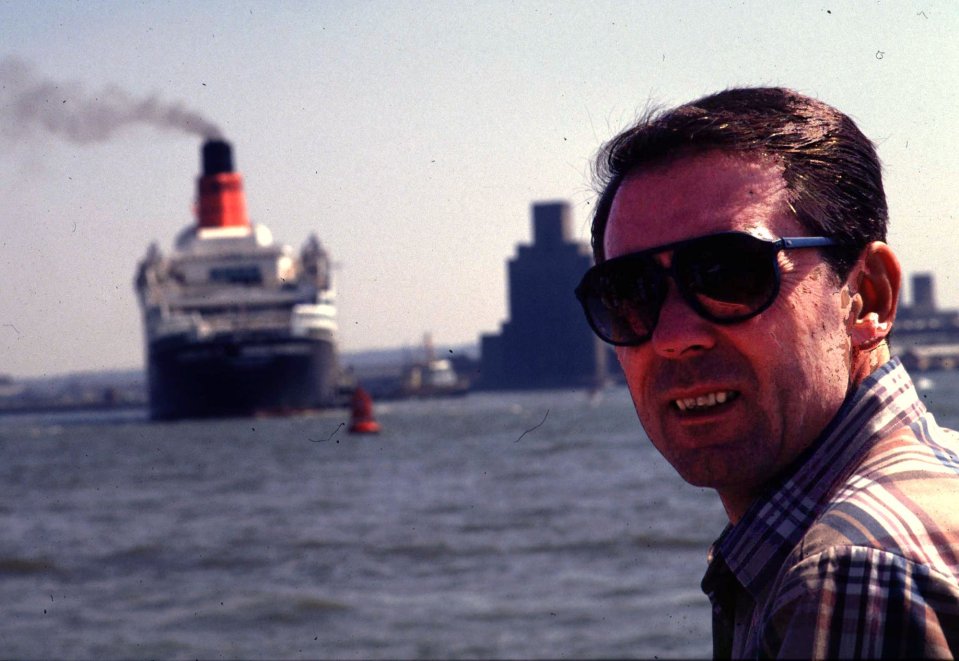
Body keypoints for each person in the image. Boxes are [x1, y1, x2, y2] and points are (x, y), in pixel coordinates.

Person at [574, 87, 959, 658]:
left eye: (731, 274)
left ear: (868, 296)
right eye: (629, 293)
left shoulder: (851, 574)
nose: (676, 337)